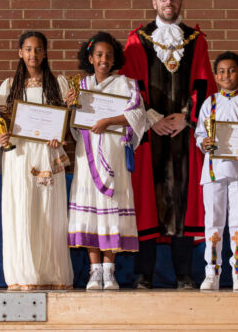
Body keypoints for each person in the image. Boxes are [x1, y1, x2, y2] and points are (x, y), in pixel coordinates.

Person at [120, 0, 217, 289]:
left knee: (182, 200)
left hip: (183, 134)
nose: (168, 2)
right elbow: (129, 85)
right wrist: (151, 117)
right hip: (148, 133)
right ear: (154, 2)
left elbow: (204, 82)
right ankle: (144, 273)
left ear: (181, 1)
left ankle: (184, 274)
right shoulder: (137, 39)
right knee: (147, 201)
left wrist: (186, 117)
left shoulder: (196, 40)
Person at [65, 32, 147, 290]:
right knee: (91, 209)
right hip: (87, 155)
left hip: (114, 154)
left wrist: (109, 121)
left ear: (115, 58)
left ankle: (110, 271)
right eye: (99, 55)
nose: (104, 60)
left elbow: (138, 115)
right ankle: (95, 272)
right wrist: (70, 107)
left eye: (108, 55)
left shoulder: (126, 84)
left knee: (111, 208)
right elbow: (74, 126)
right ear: (90, 58)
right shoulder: (81, 86)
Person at [0, 31, 73, 290]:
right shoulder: (9, 86)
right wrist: (3, 136)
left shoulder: (58, 83)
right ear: (20, 52)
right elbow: (1, 123)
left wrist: (60, 136)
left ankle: (52, 275)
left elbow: (66, 124)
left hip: (47, 155)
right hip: (20, 157)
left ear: (45, 52)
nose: (33, 54)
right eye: (28, 49)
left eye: (38, 49)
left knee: (48, 213)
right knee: (22, 210)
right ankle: (24, 274)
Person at [194, 51, 238, 291]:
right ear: (215, 75)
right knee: (213, 223)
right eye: (221, 71)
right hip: (213, 172)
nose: (226, 75)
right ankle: (212, 272)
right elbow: (200, 134)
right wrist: (203, 143)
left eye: (232, 71)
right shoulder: (209, 103)